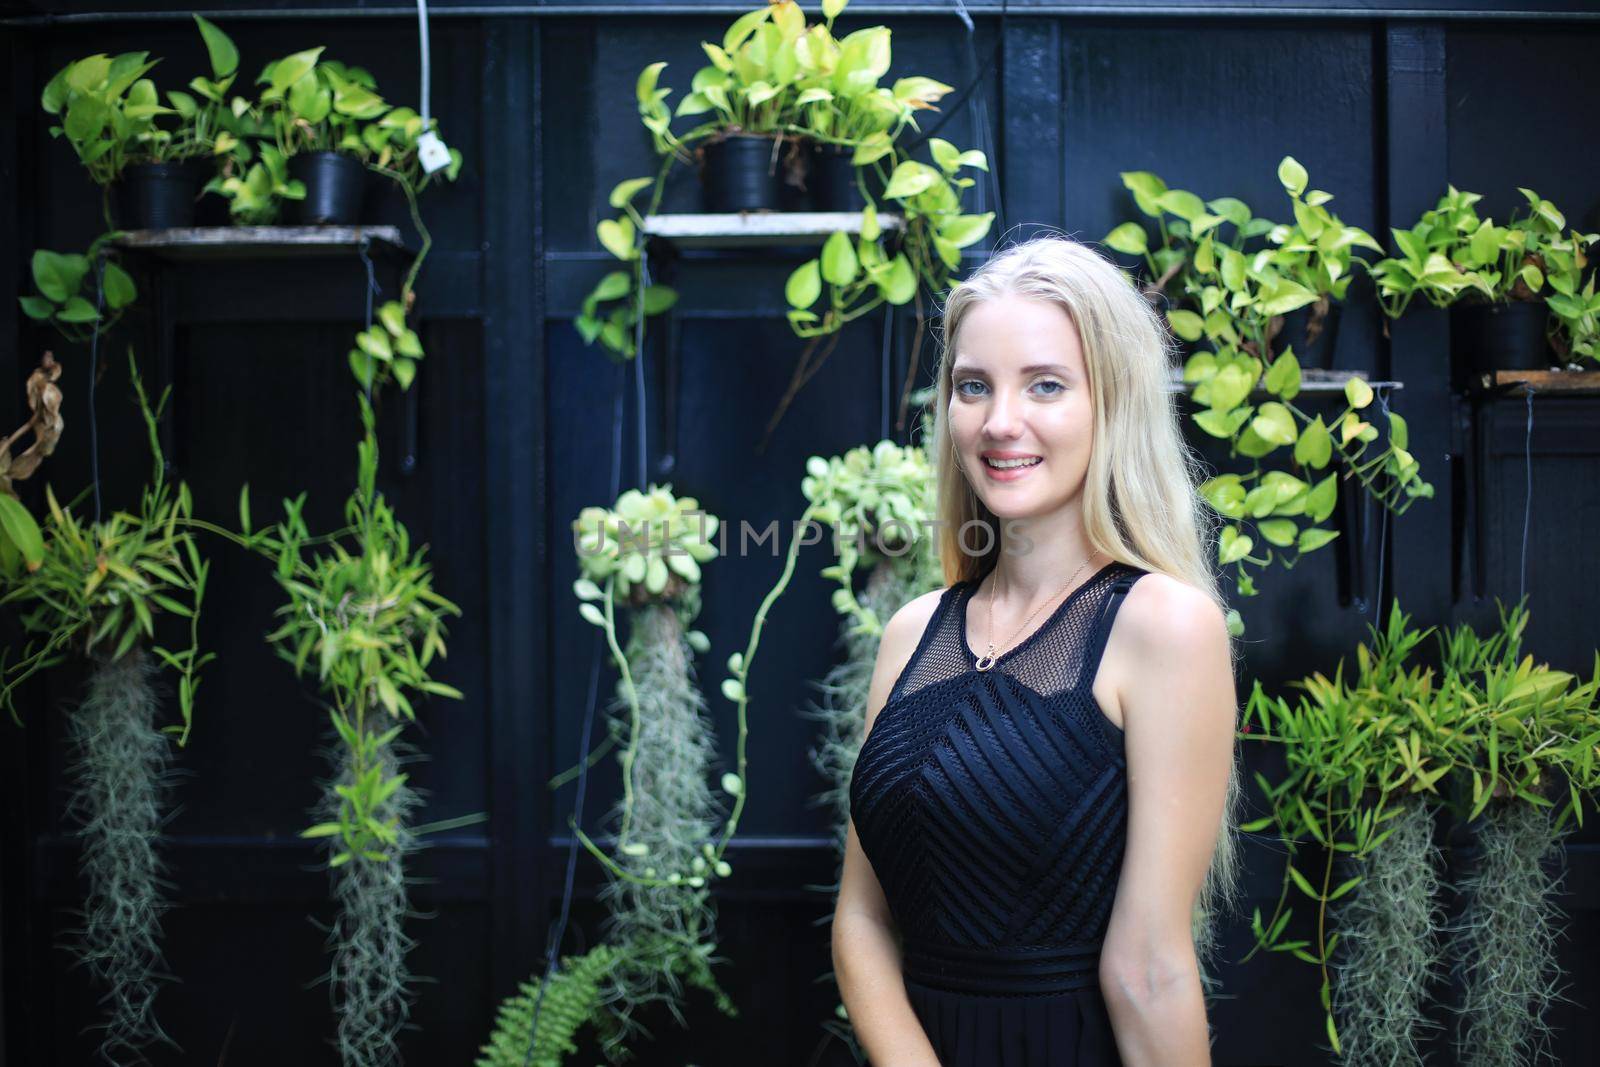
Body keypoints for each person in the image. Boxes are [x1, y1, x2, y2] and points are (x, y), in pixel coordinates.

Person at [833, 235, 1242, 1066]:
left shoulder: (1164, 625)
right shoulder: (913, 632)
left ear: (1113, 404)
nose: (999, 421)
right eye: (972, 386)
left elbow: (1150, 971)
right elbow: (863, 919)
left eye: (1046, 385)